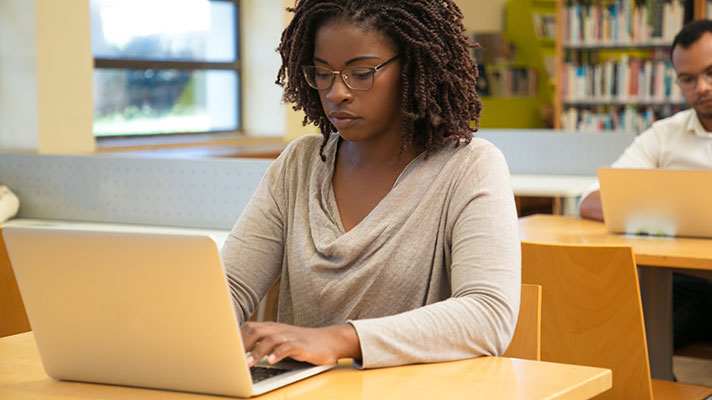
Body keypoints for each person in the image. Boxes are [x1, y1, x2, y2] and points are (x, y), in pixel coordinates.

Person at [220, 0, 520, 369]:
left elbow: (488, 315)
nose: (336, 93)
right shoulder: (299, 165)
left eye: (360, 73)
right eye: (322, 73)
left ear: (411, 66)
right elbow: (229, 288)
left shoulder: (470, 167)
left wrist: (340, 340)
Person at [579, 19, 712, 351]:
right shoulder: (665, 135)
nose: (703, 87)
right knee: (624, 331)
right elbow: (591, 200)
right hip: (682, 282)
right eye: (689, 79)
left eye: (711, 73)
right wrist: (679, 214)